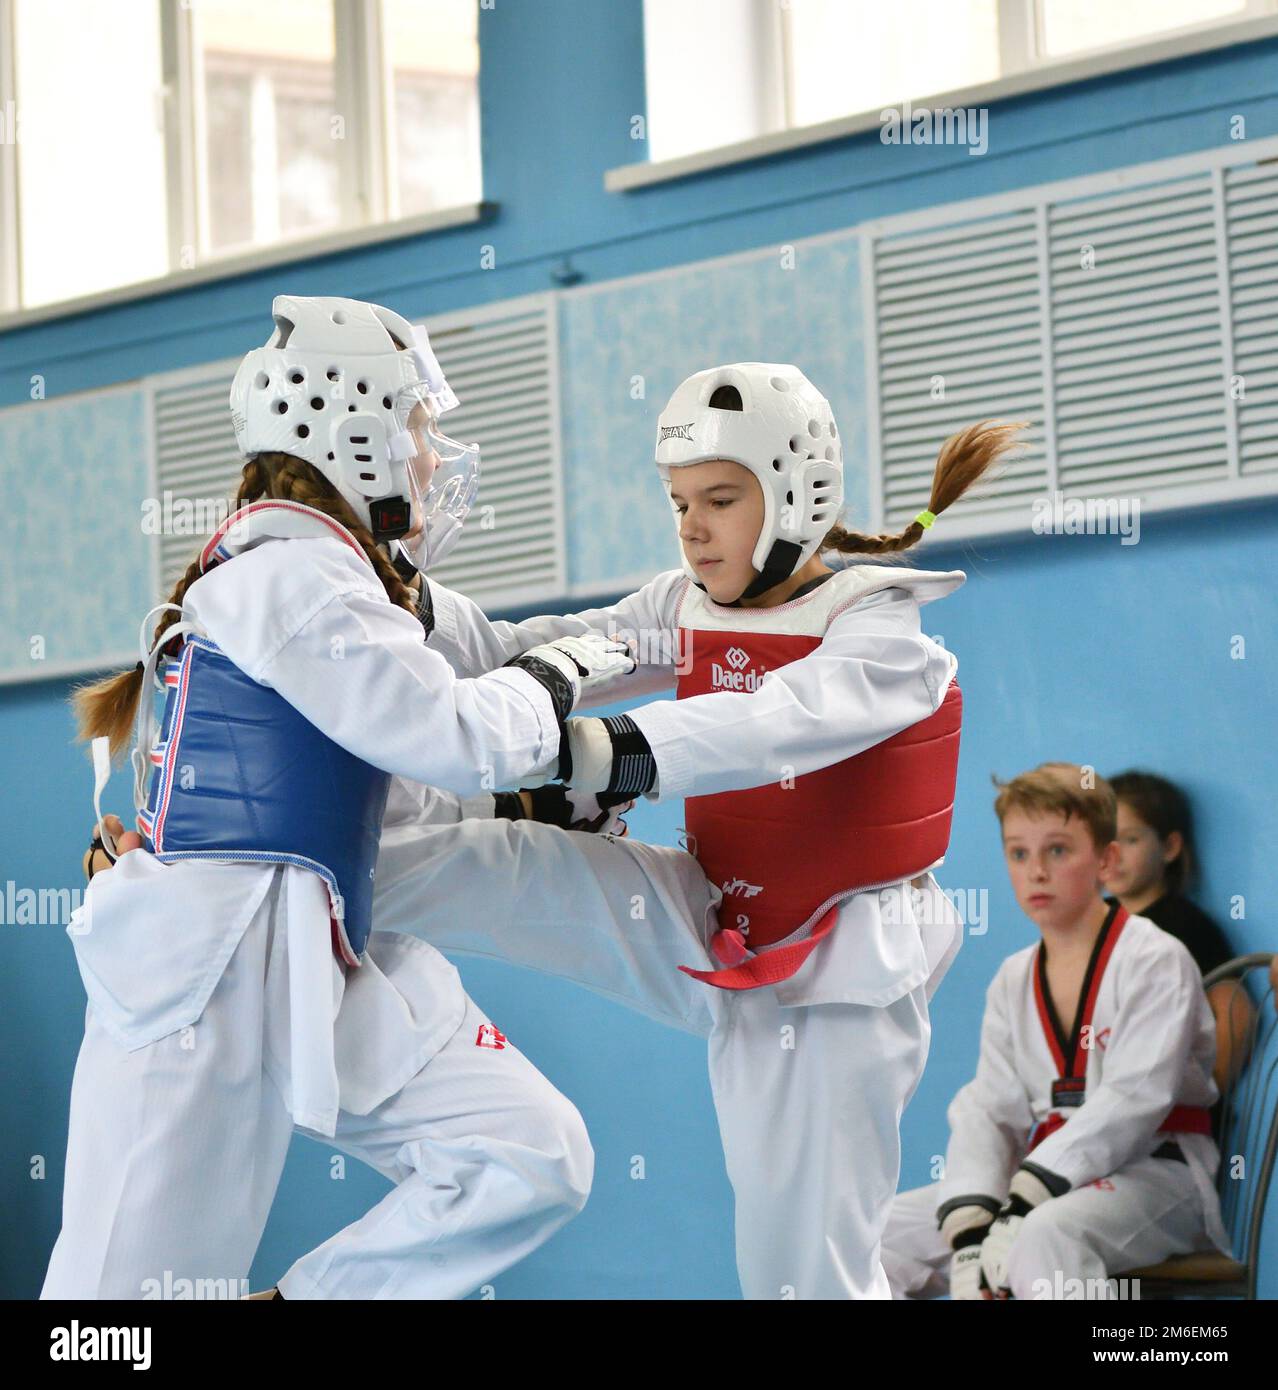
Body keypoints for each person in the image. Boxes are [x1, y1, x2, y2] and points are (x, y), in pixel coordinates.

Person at [367, 363, 1025, 1298]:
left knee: (801, 1268)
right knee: (494, 858)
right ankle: (313, 872)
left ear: (799, 493)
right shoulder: (683, 604)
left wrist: (602, 753)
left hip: (835, 971)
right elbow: (540, 654)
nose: (691, 526)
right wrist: (407, 605)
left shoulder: (881, 630)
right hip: (709, 914)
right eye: (678, 500)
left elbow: (776, 721)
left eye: (720, 498)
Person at [42, 294, 636, 1301]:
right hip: (208, 986)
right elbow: (453, 731)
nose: (435, 459)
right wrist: (568, 674)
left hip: (325, 960)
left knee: (530, 1149)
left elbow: (407, 773)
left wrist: (653, 654)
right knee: (122, 1314)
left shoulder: (355, 587)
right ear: (350, 431)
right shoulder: (294, 579)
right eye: (419, 430)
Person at [880, 763, 1229, 1301]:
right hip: (1048, 1176)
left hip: (1157, 1175)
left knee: (1044, 1234)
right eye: (1019, 853)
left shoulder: (1156, 959)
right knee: (880, 1236)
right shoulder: (1013, 978)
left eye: (1058, 850)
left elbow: (1136, 1099)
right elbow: (991, 1109)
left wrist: (1021, 1207)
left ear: (1105, 860)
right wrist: (972, 1230)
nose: (1036, 870)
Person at [1103, 769, 1253, 1093]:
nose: (1112, 855)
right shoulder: (1090, 921)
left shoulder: (1186, 925)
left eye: (1129, 839)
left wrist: (1202, 1098)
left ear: (1169, 847)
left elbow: (1236, 1013)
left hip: (1163, 1120)